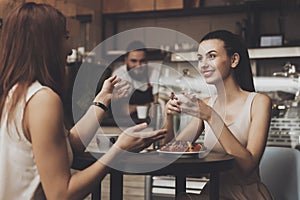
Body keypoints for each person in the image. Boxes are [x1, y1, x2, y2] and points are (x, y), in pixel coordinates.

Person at [0, 2, 166, 199]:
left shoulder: (17, 92)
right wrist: (118, 151)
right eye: (66, 37)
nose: (70, 49)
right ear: (46, 43)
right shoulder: (42, 100)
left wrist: (101, 101)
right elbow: (61, 194)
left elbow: (66, 147)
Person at [163, 30, 273, 199]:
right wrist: (168, 115)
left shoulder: (259, 102)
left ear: (234, 60)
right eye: (200, 58)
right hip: (213, 193)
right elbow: (171, 152)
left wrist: (211, 116)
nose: (203, 64)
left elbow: (247, 166)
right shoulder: (206, 104)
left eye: (211, 56)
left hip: (246, 195)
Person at [112, 40, 160, 124]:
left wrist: (154, 106)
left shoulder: (154, 72)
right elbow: (121, 109)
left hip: (148, 123)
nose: (138, 66)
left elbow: (157, 101)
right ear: (126, 60)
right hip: (123, 123)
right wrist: (147, 106)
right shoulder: (119, 75)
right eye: (134, 61)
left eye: (142, 61)